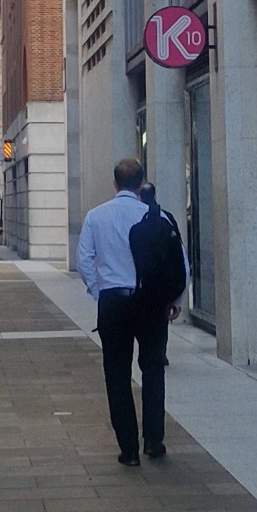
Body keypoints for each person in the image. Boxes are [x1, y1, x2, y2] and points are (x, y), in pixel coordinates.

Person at [76, 157, 188, 467]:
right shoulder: (158, 217)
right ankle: (153, 440)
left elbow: (84, 261)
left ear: (114, 184)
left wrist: (100, 293)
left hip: (114, 302)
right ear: (141, 185)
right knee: (153, 370)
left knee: (117, 374)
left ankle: (128, 449)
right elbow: (180, 262)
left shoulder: (96, 217)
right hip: (151, 302)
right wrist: (174, 300)